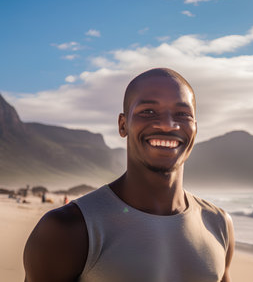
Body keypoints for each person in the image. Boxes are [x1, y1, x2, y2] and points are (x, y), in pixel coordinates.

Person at [23, 68, 235, 282]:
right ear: (123, 125)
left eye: (182, 114)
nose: (167, 124)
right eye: (148, 111)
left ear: (195, 128)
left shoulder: (219, 224)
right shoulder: (68, 229)